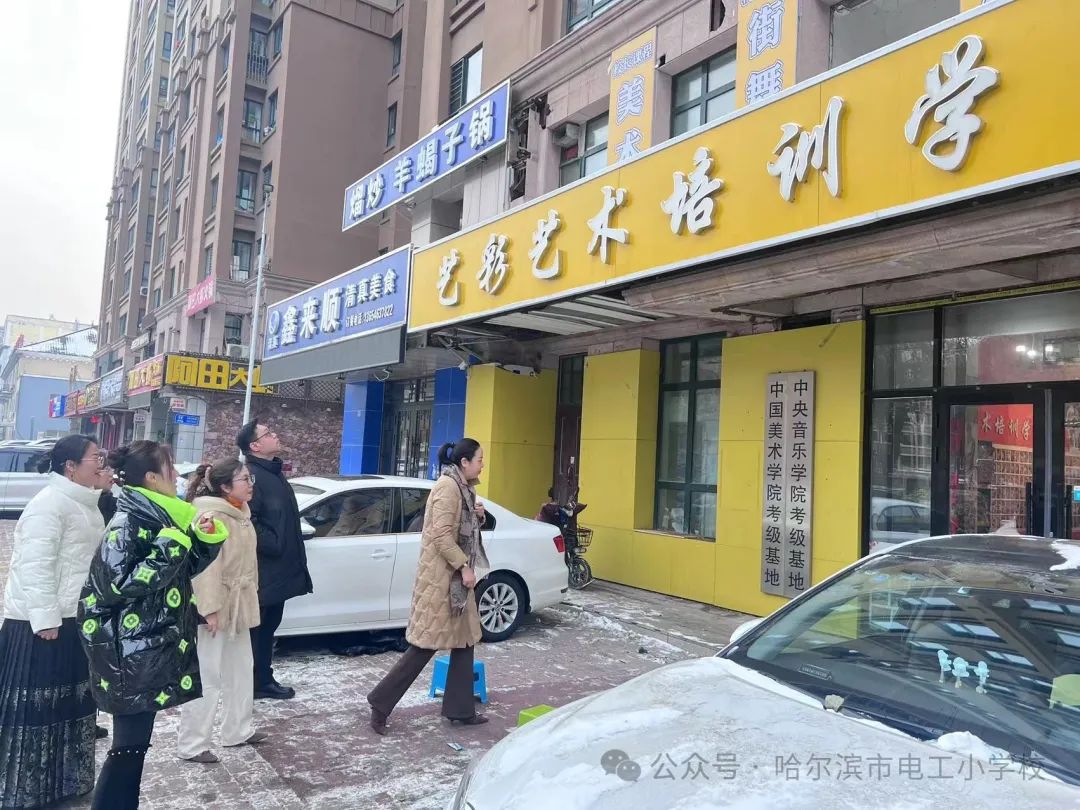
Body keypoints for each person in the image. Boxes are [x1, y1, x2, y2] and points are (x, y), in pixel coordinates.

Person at [78, 441, 227, 809]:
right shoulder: (129, 521)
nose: (176, 475)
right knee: (128, 747)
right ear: (151, 477)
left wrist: (199, 540)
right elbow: (117, 585)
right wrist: (171, 544)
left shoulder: (159, 517)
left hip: (147, 644)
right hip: (127, 649)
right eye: (169, 468)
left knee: (134, 746)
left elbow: (176, 573)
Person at [0, 436, 105, 807]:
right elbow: (35, 565)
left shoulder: (84, 503)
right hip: (40, 626)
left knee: (69, 707)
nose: (101, 462)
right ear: (70, 467)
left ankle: (64, 782)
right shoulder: (49, 504)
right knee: (36, 713)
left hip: (72, 618)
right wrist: (45, 618)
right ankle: (26, 790)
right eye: (95, 457)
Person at [367, 439, 490, 734]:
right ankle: (380, 703)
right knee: (425, 645)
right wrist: (464, 566)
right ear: (464, 462)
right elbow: (441, 536)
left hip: (455, 581)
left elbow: (461, 528)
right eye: (479, 459)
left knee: (464, 641)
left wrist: (478, 516)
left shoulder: (463, 487)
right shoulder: (448, 488)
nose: (482, 465)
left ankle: (460, 710)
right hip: (442, 580)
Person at [177, 461, 266, 763]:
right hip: (214, 607)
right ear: (225, 487)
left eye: (250, 478)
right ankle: (192, 744)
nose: (250, 484)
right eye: (244, 479)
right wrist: (209, 609)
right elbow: (205, 568)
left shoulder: (241, 514)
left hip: (239, 604)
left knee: (241, 668)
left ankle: (237, 730)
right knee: (208, 675)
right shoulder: (211, 516)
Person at [237, 421, 313, 700]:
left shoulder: (273, 473)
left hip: (278, 570)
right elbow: (248, 520)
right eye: (268, 433)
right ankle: (258, 682)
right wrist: (275, 543)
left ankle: (261, 678)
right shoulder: (252, 477)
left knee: (268, 627)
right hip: (264, 570)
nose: (275, 435)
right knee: (260, 629)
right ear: (255, 446)